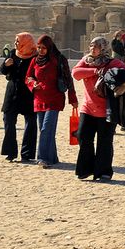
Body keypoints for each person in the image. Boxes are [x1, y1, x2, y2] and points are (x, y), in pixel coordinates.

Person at [71, 36, 125, 181]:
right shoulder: (86, 61)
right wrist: (94, 71)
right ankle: (85, 169)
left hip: (107, 109)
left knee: (104, 141)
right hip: (88, 108)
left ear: (103, 48)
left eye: (96, 46)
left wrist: (117, 76)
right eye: (91, 45)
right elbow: (75, 73)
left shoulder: (112, 63)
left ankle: (103, 172)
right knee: (84, 137)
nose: (92, 48)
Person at [25, 34, 77, 168]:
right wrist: (32, 84)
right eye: (39, 47)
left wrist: (73, 98)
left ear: (49, 47)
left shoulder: (58, 59)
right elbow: (28, 77)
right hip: (39, 99)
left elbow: (68, 79)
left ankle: (42, 158)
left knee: (46, 129)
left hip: (55, 99)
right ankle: (52, 157)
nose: (41, 50)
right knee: (46, 130)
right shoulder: (35, 61)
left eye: (43, 48)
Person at [0, 33, 38, 162]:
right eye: (16, 40)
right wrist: (6, 65)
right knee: (8, 120)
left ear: (27, 43)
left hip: (29, 94)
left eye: (18, 41)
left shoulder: (36, 56)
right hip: (12, 93)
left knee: (31, 124)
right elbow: (3, 71)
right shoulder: (12, 53)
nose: (16, 43)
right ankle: (10, 152)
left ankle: (27, 154)